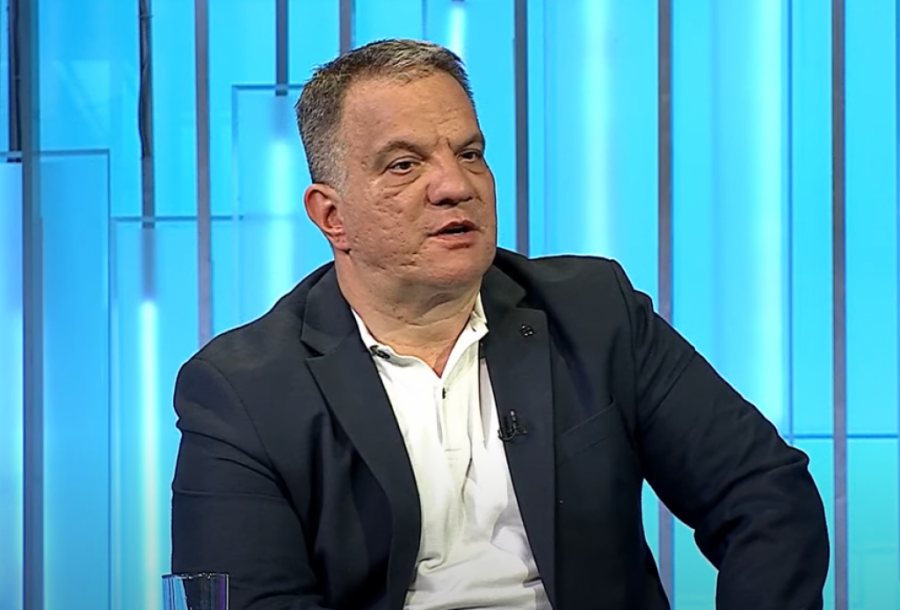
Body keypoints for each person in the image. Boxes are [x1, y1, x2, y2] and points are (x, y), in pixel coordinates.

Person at [171, 39, 828, 610]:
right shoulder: (243, 392)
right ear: (331, 217)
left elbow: (764, 492)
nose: (455, 185)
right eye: (404, 165)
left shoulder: (596, 314)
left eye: (470, 153)